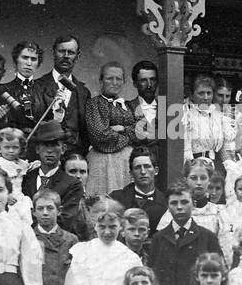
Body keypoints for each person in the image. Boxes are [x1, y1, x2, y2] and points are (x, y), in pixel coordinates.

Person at [146, 179, 223, 285]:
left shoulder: (207, 237)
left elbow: (219, 274)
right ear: (168, 207)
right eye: (174, 203)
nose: (179, 207)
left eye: (184, 202)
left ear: (193, 203)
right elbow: (152, 275)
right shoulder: (158, 239)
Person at [22, 121, 87, 239]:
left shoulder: (72, 184)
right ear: (37, 149)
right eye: (45, 145)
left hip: (57, 245)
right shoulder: (25, 179)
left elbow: (65, 220)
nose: (50, 150)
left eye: (54, 144)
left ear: (63, 149)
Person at [85, 61, 136, 197]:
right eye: (109, 78)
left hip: (124, 163)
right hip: (101, 161)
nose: (114, 82)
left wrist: (121, 129)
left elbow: (138, 132)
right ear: (101, 81)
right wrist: (127, 136)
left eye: (118, 79)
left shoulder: (127, 105)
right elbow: (100, 135)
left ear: (124, 81)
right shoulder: (93, 104)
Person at [35, 35, 91, 155]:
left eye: (70, 52)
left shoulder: (83, 92)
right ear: (53, 52)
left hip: (75, 159)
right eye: (61, 51)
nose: (66, 56)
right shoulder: (37, 87)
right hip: (47, 156)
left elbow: (85, 132)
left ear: (78, 56)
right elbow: (34, 126)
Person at [108, 147, 167, 228]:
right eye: (138, 167)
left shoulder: (166, 202)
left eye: (147, 166)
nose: (143, 172)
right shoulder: (116, 199)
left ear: (156, 171)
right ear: (131, 173)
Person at [0, 127, 34, 225]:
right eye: (7, 147)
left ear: (21, 148)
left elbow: (27, 169)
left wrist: (34, 165)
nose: (11, 151)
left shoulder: (22, 164)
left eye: (15, 147)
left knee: (22, 219)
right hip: (2, 197)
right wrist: (6, 195)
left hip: (19, 198)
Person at [183, 74, 234, 165]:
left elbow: (222, 147)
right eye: (201, 93)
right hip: (194, 164)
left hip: (214, 163)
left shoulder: (217, 114)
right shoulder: (186, 114)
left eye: (209, 93)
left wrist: (229, 164)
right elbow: (186, 149)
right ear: (191, 95)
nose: (206, 97)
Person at [126, 60, 162, 175]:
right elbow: (130, 136)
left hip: (163, 165)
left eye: (152, 80)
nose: (149, 85)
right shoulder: (127, 108)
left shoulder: (166, 107)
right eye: (143, 81)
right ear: (135, 84)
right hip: (138, 167)